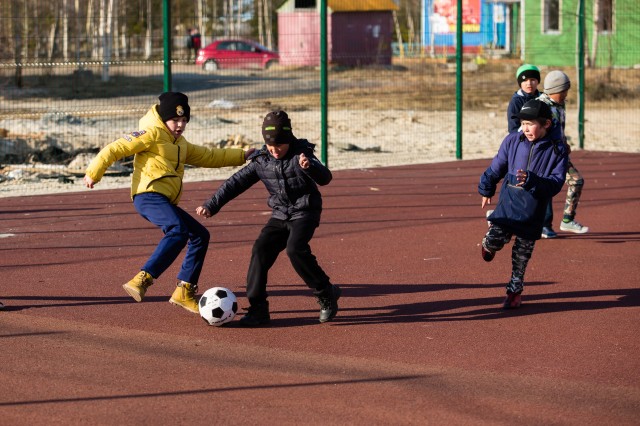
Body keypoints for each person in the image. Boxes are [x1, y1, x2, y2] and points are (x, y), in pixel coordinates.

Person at [83, 92, 253, 314]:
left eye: (184, 120)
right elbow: (115, 149)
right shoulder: (150, 134)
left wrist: (243, 155)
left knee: (200, 236)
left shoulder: (181, 144)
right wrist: (93, 173)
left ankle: (184, 291)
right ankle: (143, 279)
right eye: (176, 120)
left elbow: (210, 156)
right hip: (148, 195)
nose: (180, 125)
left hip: (165, 201)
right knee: (177, 230)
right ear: (163, 118)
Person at [196, 110, 340, 326]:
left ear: (289, 139)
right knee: (260, 250)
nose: (274, 150)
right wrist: (211, 204)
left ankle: (325, 292)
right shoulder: (263, 160)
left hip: (305, 212)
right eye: (270, 145)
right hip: (280, 214)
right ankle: (258, 310)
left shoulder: (302, 154)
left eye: (279, 145)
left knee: (295, 249)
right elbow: (236, 182)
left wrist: (310, 168)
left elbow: (325, 178)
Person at [480, 99, 568, 309]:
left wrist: (533, 181)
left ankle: (514, 292)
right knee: (494, 242)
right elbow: (497, 166)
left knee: (522, 255)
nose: (526, 128)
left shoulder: (558, 150)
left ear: (546, 124)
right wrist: (486, 187)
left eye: (531, 124)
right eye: (523, 124)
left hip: (532, 211)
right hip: (508, 207)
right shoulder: (512, 141)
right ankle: (490, 239)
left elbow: (556, 183)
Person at [538, 70, 589, 235]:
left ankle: (567, 220)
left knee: (576, 180)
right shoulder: (540, 106)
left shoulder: (560, 105)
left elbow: (559, 127)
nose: (566, 94)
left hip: (558, 154)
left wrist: (564, 143)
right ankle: (501, 218)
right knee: (535, 190)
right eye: (564, 91)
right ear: (555, 90)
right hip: (545, 156)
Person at [507, 64, 541, 134]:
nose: (529, 83)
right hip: (524, 138)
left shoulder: (543, 98)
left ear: (538, 81)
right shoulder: (516, 101)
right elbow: (513, 128)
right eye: (525, 80)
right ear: (520, 83)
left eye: (532, 80)